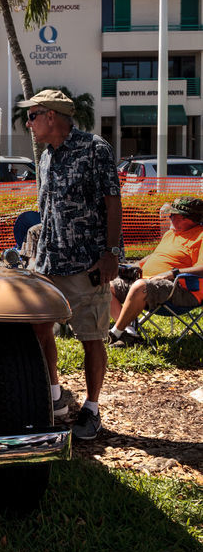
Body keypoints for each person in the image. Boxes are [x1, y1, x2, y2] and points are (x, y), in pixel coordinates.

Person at [17, 89, 122, 442]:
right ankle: (54, 396)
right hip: (48, 260)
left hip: (86, 261)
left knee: (91, 337)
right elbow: (47, 211)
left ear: (51, 116)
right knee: (38, 328)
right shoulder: (45, 156)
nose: (27, 123)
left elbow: (112, 204)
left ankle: (91, 409)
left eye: (32, 116)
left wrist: (111, 254)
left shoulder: (95, 150)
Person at [108, 196, 203, 345]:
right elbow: (156, 255)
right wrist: (134, 266)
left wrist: (172, 273)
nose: (169, 218)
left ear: (187, 218)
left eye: (173, 215)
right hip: (147, 283)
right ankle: (128, 332)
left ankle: (114, 334)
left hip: (182, 290)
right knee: (106, 287)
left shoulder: (200, 236)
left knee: (140, 287)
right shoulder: (171, 234)